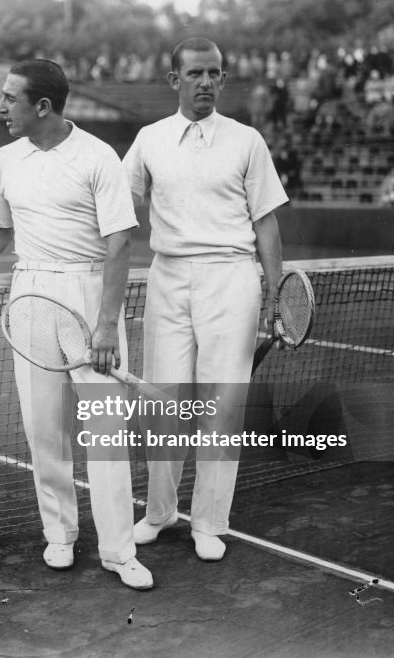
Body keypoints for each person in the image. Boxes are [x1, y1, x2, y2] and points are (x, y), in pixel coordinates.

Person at [0, 58, 153, 590]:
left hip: (88, 295)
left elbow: (118, 244)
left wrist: (106, 326)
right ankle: (59, 534)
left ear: (43, 107)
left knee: (106, 431)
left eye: (10, 99)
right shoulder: (5, 159)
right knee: (42, 428)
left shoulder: (99, 157)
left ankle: (119, 552)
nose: (0, 107)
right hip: (30, 292)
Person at [121, 37, 287, 562]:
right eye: (195, 73)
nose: (206, 83)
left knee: (222, 404)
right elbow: (121, 209)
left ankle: (211, 521)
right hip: (166, 276)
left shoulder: (246, 140)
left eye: (214, 73)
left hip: (231, 279)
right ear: (174, 81)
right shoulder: (149, 139)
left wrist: (275, 296)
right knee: (161, 399)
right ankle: (159, 512)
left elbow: (266, 222)